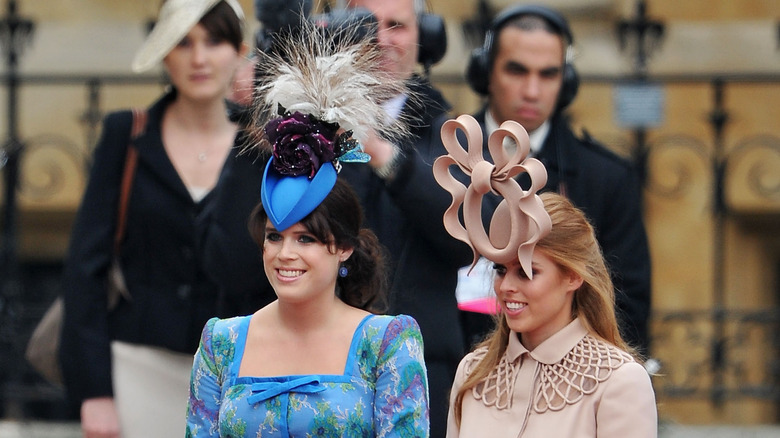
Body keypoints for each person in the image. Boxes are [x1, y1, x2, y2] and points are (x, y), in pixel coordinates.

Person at [185, 24, 429, 436]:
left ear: (345, 247)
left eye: (307, 239)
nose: (285, 254)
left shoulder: (387, 343)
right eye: (275, 236)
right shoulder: (220, 342)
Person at [57, 1, 271, 437]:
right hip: (136, 369)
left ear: (239, 51)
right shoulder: (127, 134)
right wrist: (94, 393)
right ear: (163, 53)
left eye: (214, 41)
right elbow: (85, 268)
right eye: (183, 42)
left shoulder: (262, 147)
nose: (199, 58)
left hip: (240, 376)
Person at [433, 115, 657, 437]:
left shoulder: (619, 380)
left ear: (573, 277)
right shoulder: (473, 371)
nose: (506, 287)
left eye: (526, 272)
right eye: (500, 269)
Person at [462, 4, 652, 355]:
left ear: (566, 82)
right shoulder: (438, 160)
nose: (532, 91)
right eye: (517, 71)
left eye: (548, 75)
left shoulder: (607, 178)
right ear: (485, 72)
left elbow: (626, 305)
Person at [336, 1, 472, 434]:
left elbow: (467, 238)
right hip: (325, 368)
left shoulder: (451, 131)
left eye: (396, 25)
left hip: (422, 369)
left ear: (424, 37)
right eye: (363, 25)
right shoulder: (306, 125)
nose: (380, 39)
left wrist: (384, 154)